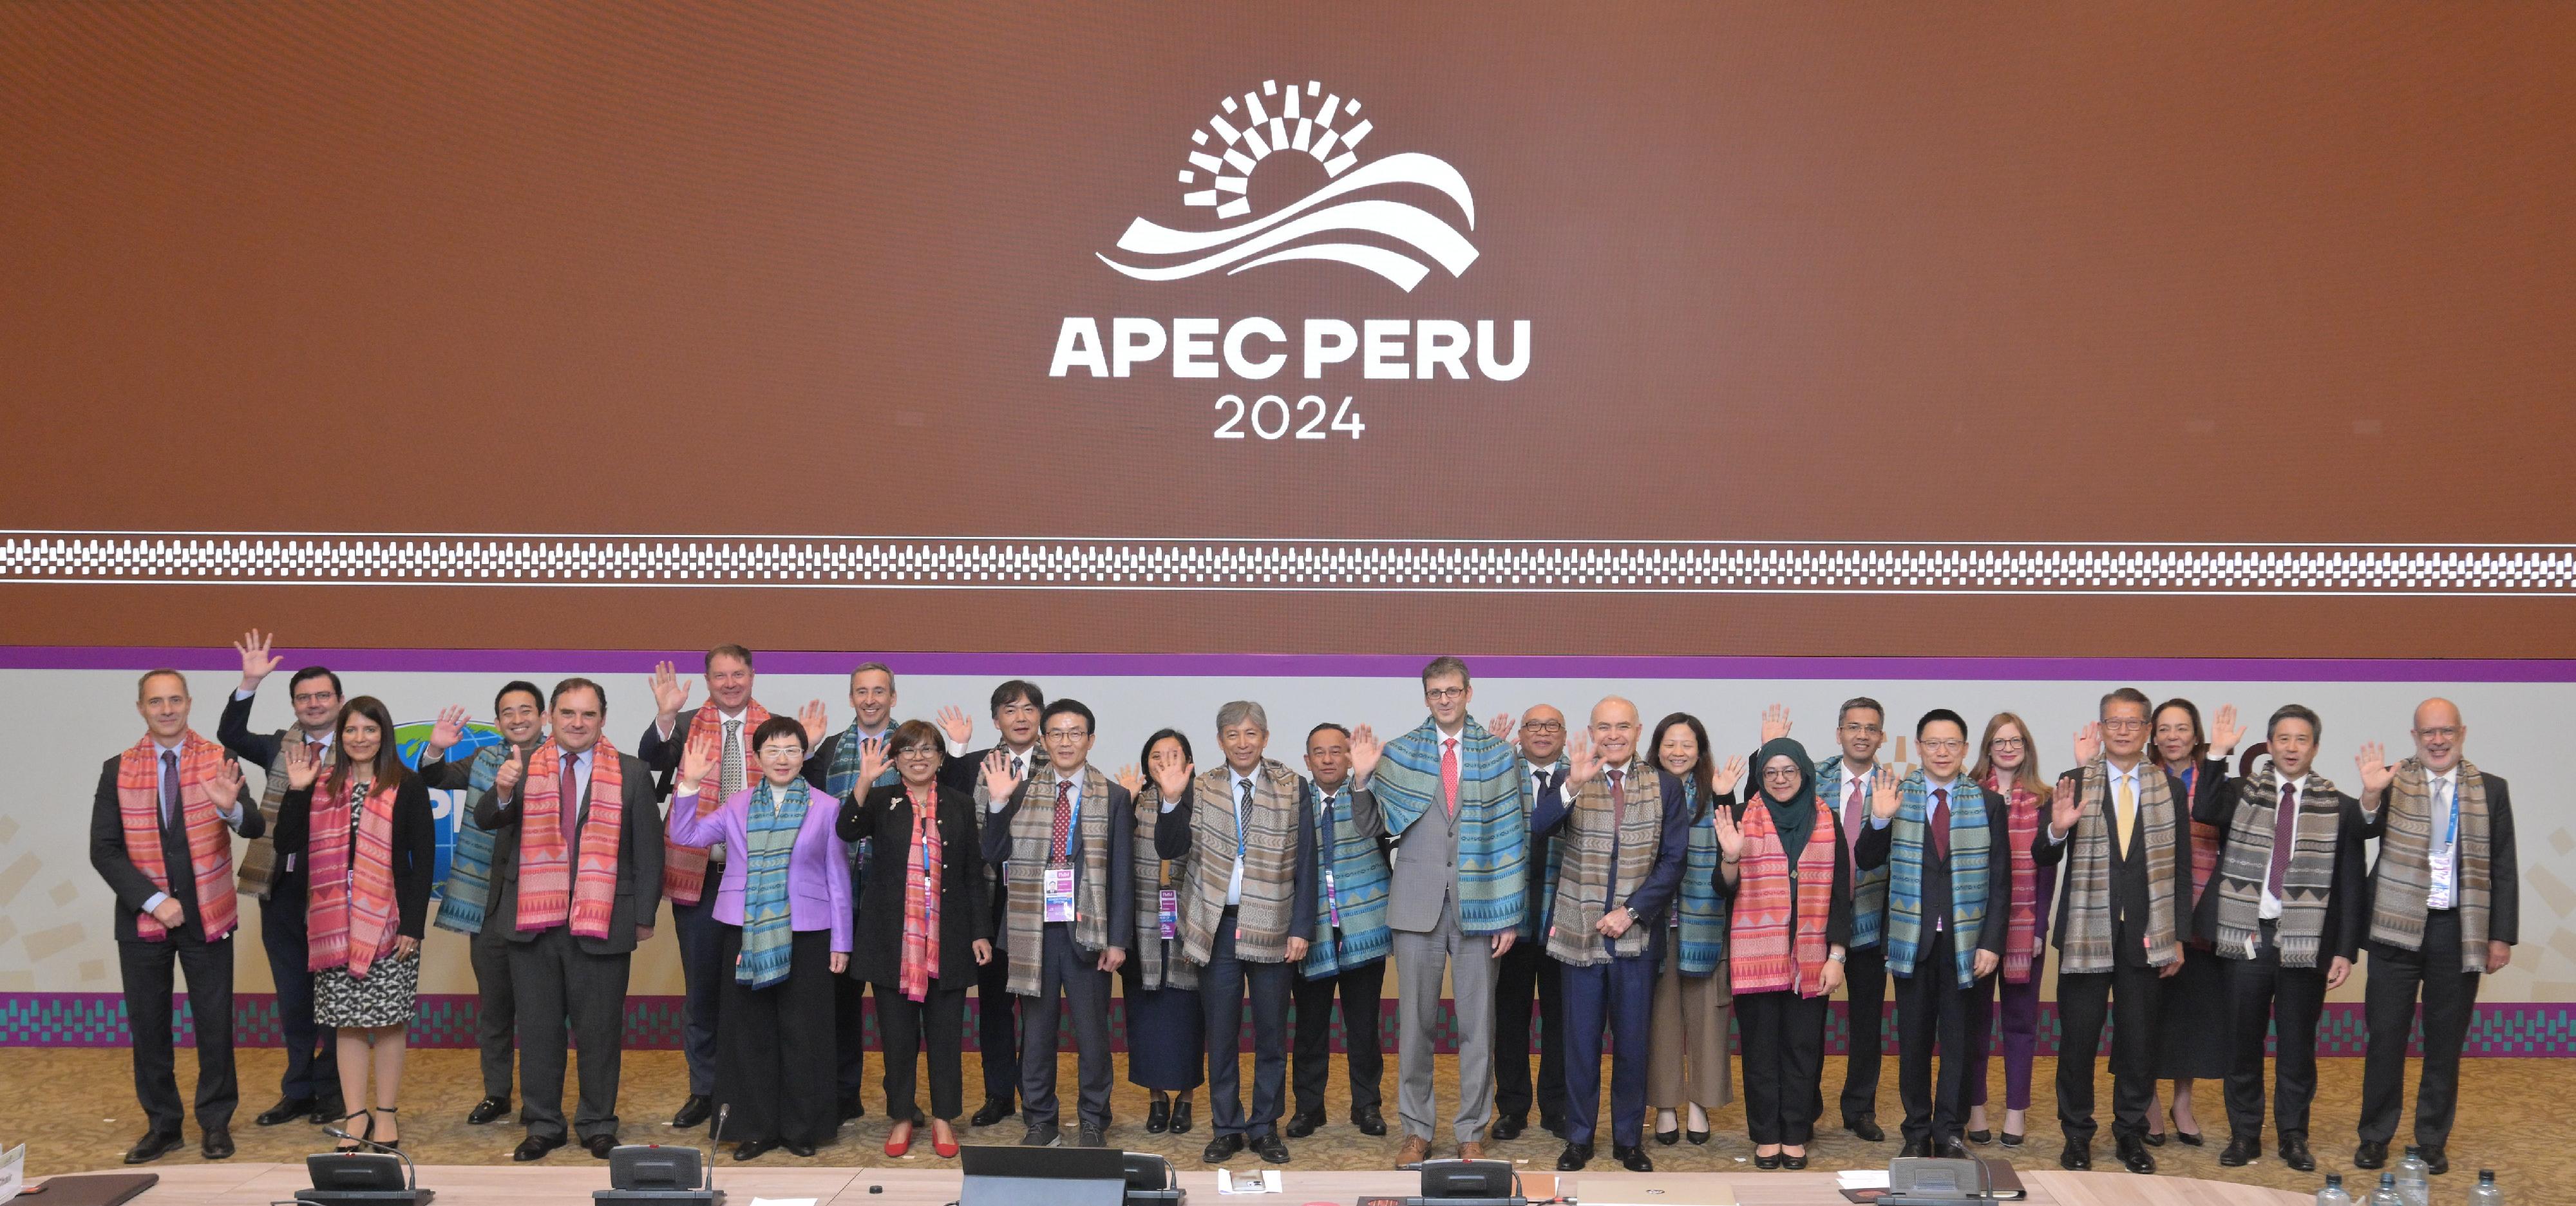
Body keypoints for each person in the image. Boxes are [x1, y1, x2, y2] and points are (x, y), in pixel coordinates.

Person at [1346, 656, 1528, 1168]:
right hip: (1416, 907)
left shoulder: (1498, 755)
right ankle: (1417, 1130)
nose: (1444, 699)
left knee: (1478, 1026)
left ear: (1470, 692)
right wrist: (1361, 779)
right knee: (1416, 1026)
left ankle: (1471, 1131)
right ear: (1425, 697)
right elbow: (1369, 827)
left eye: (1452, 690)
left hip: (1481, 908)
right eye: (1435, 692)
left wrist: (1508, 913)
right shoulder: (1400, 752)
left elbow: (1513, 836)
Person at [475, 678, 667, 1161]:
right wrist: (501, 791)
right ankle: (543, 1124)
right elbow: (487, 819)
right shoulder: (522, 766)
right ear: (549, 718)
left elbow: (649, 851)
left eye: (587, 714)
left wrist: (642, 916)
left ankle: (598, 1123)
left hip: (603, 918)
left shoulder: (631, 771)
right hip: (533, 920)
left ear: (602, 718)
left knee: (600, 1031)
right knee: (539, 1030)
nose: (576, 723)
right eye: (567, 713)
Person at [638, 646, 827, 1131]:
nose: (728, 683)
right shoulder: (681, 724)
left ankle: (750, 1090)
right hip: (699, 877)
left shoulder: (777, 728)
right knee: (703, 992)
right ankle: (705, 1089)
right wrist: (663, 717)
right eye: (719, 675)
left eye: (737, 673)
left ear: (752, 675)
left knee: (756, 994)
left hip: (768, 884)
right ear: (706, 679)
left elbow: (811, 793)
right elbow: (652, 762)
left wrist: (813, 750)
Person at [659, 715, 851, 1159]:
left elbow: (839, 879)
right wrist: (687, 784)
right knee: (750, 1034)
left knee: (805, 1033)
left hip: (808, 930)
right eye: (772, 750)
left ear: (804, 755)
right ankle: (757, 1128)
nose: (782, 759)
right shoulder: (737, 804)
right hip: (746, 933)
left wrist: (842, 941)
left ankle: (802, 1128)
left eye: (791, 750)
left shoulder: (826, 806)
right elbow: (685, 835)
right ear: (757, 757)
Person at [91, 669, 260, 1164]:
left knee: (214, 1024)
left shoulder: (219, 758)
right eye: (156, 701)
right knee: (149, 1027)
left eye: (175, 700)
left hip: (209, 914)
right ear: (141, 708)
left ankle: (215, 1123)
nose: (167, 709)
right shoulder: (116, 768)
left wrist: (231, 810)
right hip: (142, 922)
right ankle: (163, 1125)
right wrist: (152, 900)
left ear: (189, 703)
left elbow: (253, 821)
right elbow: (103, 849)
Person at [1532, 698, 1704, 1173]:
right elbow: (1539, 826)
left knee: (1632, 1045)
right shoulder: (1575, 775)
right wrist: (1570, 784)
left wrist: (1631, 912)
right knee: (1580, 1044)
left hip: (1636, 938)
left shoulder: (1665, 785)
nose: (1613, 734)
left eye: (1622, 726)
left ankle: (1629, 1139)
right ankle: (1580, 1137)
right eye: (1604, 726)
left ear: (1637, 730)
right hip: (1578, 933)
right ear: (1591, 731)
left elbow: (1674, 859)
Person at [2349, 698, 2517, 1178]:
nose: (2437, 740)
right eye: (2428, 733)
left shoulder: (2491, 790)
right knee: (2385, 1038)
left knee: (2444, 1042)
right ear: (2414, 736)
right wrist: (2368, 796)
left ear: (2461, 733)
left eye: (2446, 731)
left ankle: (2431, 1140)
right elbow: (2361, 831)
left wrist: (2500, 935)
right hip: (2395, 929)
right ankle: (2375, 1136)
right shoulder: (2391, 780)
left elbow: (2502, 865)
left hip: (2458, 930)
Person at [2195, 704, 2366, 1174]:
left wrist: (2345, 950)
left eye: (2302, 739)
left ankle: (2294, 1136)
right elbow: (2203, 809)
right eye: (2283, 738)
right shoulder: (2238, 792)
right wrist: (2217, 753)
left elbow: (2353, 884)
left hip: (2306, 943)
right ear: (2269, 745)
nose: (2292, 747)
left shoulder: (2341, 806)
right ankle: (2245, 1134)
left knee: (2297, 1046)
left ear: (2315, 746)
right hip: (2248, 937)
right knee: (2242, 1043)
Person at [2032, 687, 2192, 1175]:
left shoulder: (2170, 787)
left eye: (2133, 722)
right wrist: (2057, 829)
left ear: (2148, 730)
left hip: (2148, 932)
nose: (2123, 730)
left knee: (2139, 1040)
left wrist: (2178, 935)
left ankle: (2130, 1134)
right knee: (2078, 1038)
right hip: (2086, 930)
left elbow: (2182, 867)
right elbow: (2044, 855)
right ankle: (2077, 1134)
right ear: (2100, 729)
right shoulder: (2073, 781)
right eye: (2114, 722)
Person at [1155, 702, 1318, 1164]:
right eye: (1232, 734)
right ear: (1220, 740)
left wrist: (1302, 928)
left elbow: (1306, 861)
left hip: (1274, 924)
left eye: (1250, 733)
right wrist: (1170, 801)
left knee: (1271, 1035)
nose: (1242, 742)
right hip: (1218, 927)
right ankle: (1227, 1126)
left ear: (1265, 737)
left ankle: (1265, 1126)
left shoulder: (1292, 785)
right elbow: (1170, 848)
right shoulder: (1199, 786)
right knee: (1222, 1035)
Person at [272, 697, 436, 1151]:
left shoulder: (407, 784)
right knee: (344, 1023)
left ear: (384, 734)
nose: (359, 738)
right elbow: (286, 842)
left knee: (387, 1021)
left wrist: (414, 926)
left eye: (369, 730)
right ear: (340, 737)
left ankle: (385, 1114)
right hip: (333, 921)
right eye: (351, 731)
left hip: (389, 919)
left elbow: (422, 862)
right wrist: (299, 789)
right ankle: (356, 1115)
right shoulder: (322, 784)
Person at [1852, 710, 2008, 1161]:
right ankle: (1917, 1129)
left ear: (1964, 749)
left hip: (1966, 944)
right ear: (1918, 746)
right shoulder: (1893, 796)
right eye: (1933, 743)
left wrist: (1992, 942)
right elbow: (1865, 859)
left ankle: (1950, 1131)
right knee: (1915, 1042)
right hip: (1910, 939)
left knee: (1959, 1042)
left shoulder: (1987, 803)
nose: (1942, 752)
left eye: (1952, 743)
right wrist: (1880, 821)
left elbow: (2000, 882)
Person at [980, 698, 1133, 1148]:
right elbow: (993, 853)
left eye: (1076, 732)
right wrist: (996, 802)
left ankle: (1093, 1118)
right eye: (1058, 733)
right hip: (1033, 930)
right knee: (1038, 1034)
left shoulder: (1114, 795)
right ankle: (1040, 1118)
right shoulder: (1022, 790)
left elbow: (1123, 874)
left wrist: (1118, 940)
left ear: (1090, 739)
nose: (1066, 741)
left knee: (1093, 1035)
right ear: (1045, 740)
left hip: (1089, 931)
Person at [840, 721, 994, 1159]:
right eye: (908, 750)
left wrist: (980, 931)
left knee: (946, 1035)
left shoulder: (960, 804)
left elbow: (971, 874)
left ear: (942, 758)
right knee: (898, 1036)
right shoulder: (882, 800)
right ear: (896, 758)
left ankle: (945, 1116)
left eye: (928, 749)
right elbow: (846, 829)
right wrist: (865, 779)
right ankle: (903, 1115)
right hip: (892, 941)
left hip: (948, 936)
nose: (919, 757)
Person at [217, 630, 344, 1127]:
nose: (313, 704)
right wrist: (249, 682)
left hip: (336, 893)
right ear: (294, 704)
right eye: (304, 698)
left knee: (336, 997)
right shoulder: (277, 745)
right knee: (294, 996)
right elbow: (231, 732)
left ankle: (333, 1090)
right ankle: (298, 1089)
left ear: (339, 702)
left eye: (323, 696)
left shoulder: (361, 746)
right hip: (281, 888)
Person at [803, 662, 935, 1123]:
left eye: (880, 691)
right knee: (840, 1004)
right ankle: (844, 1093)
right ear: (852, 698)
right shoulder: (829, 752)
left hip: (901, 901)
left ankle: (902, 1099)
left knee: (900, 1007)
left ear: (894, 697)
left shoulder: (917, 748)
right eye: (862, 691)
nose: (871, 698)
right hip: (837, 893)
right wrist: (805, 749)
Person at [1718, 737, 1854, 1170]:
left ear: (1804, 773)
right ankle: (1766, 1134)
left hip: (1813, 957)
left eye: (1789, 771)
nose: (1780, 779)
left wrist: (1837, 955)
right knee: (1760, 1049)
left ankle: (1795, 1133)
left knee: (1801, 1049)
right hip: (1756, 954)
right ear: (1762, 777)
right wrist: (1731, 857)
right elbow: (1722, 887)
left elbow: (1840, 894)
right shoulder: (1742, 816)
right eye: (1771, 772)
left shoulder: (1827, 819)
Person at [415, 681, 547, 1126]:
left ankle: (538, 1098)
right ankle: (497, 1093)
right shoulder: (484, 759)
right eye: (507, 712)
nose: (517, 718)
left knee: (539, 1012)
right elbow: (435, 777)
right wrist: (435, 749)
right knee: (495, 1008)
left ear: (543, 717)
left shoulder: (561, 761)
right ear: (497, 723)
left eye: (526, 710)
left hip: (540, 905)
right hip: (487, 905)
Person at [941, 679, 1046, 1128]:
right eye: (1010, 710)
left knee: (1038, 1005)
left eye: (1028, 709)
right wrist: (956, 748)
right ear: (996, 720)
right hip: (990, 897)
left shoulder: (1061, 761)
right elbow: (947, 805)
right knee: (995, 1003)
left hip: (1042, 900)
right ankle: (1000, 1093)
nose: (1020, 717)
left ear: (1040, 715)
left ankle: (1036, 1094)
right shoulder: (975, 766)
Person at [2143, 698, 2247, 1147]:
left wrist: (2220, 755)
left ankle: (2182, 1102)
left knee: (2192, 1016)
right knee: (2146, 1013)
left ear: (2196, 733)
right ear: (2153, 735)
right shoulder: (2141, 779)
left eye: (2181, 728)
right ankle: (2146, 1101)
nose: (2172, 737)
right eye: (2163, 729)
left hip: (2204, 909)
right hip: (2150, 909)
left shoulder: (2217, 780)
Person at [1288, 723, 1390, 1140]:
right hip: (1309, 932)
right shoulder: (1291, 802)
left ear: (1350, 757)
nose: (1328, 759)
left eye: (1337, 751)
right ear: (1306, 760)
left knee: (1364, 1027)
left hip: (1363, 926)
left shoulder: (1371, 794)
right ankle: (1308, 1109)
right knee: (1309, 1027)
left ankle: (1367, 1106)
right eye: (1319, 752)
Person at [1960, 712, 2050, 1148]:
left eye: (2016, 740)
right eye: (2000, 741)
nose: (2008, 747)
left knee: (2019, 1024)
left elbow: (2048, 870)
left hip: (2025, 926)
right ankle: (1975, 1109)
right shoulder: (1970, 793)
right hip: (1977, 928)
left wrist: (2039, 926)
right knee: (1974, 1024)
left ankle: (2016, 1112)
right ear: (1988, 748)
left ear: (2027, 746)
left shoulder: (2046, 798)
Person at [1808, 698, 1893, 1143]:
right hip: (1816, 919)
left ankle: (1859, 1108)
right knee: (1808, 1021)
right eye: (1854, 726)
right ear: (1839, 732)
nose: (1862, 734)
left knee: (1866, 1021)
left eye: (1872, 728)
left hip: (1873, 921)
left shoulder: (1897, 785)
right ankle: (1806, 1106)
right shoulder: (1812, 778)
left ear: (1881, 736)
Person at [1117, 730, 1204, 1138]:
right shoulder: (1130, 799)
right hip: (1141, 925)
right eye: (1156, 755)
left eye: (1174, 754)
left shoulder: (1205, 798)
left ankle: (1186, 1098)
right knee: (1145, 1014)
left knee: (1190, 1017)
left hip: (1192, 925)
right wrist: (1125, 805)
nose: (1164, 762)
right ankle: (1156, 1098)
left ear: (1188, 760)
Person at [1492, 704, 1571, 1142]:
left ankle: (1556, 1107)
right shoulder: (1501, 771)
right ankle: (1512, 1107)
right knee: (1510, 1019)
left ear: (1564, 734)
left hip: (1564, 921)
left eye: (1551, 725)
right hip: (1511, 922)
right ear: (1520, 732)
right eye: (1533, 725)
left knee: (1562, 1020)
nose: (1542, 732)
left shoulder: (1582, 776)